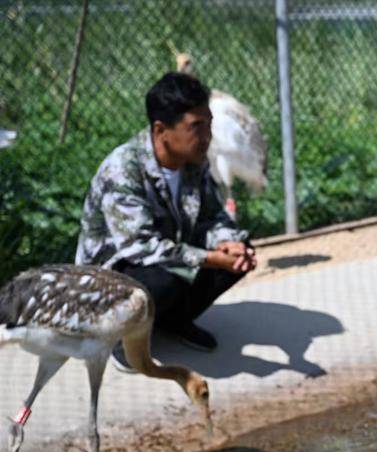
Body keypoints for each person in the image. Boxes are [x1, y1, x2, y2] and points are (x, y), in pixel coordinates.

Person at [76, 71, 257, 367]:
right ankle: (120, 338)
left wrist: (227, 244)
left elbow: (212, 217)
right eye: (196, 127)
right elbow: (142, 247)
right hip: (108, 283)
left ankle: (173, 320)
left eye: (209, 124)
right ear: (161, 130)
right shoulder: (123, 169)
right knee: (167, 273)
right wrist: (210, 257)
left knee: (239, 248)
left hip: (161, 257)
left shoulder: (193, 163)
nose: (207, 137)